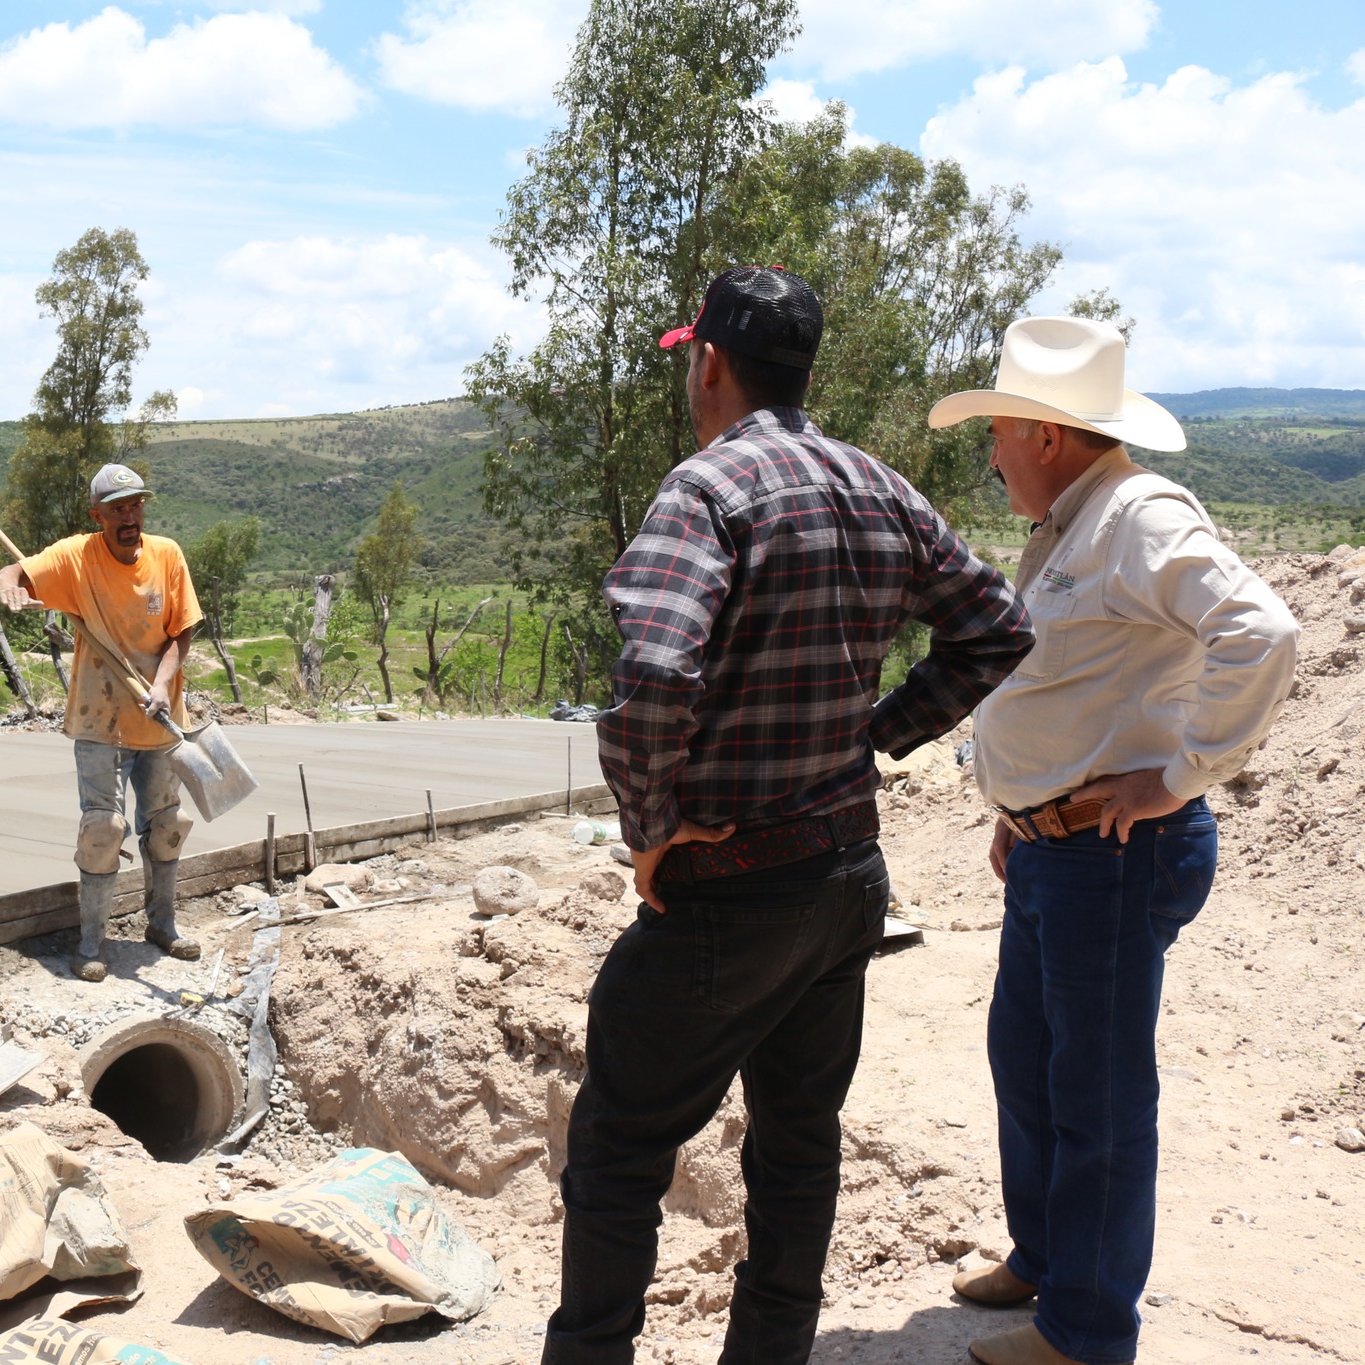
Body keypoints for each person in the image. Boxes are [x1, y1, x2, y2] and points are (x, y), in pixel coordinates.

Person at [545, 266, 1036, 1365]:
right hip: (845, 882)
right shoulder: (880, 489)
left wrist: (650, 826)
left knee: (619, 1152)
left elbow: (653, 676)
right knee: (797, 1150)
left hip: (726, 888)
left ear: (705, 363)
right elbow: (994, 629)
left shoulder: (704, 492)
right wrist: (872, 734)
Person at [929, 317, 1299, 1365]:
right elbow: (1076, 680)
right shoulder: (1073, 523)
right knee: (1028, 1064)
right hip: (1055, 848)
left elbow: (1260, 632)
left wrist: (1180, 772)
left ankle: (1083, 1334)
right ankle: (1045, 1261)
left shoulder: (1135, 515)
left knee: (1092, 1093)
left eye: (998, 429)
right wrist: (1017, 810)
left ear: (1044, 434)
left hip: (1111, 850)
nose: (990, 449)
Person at [0, 463, 205, 982]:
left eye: (135, 505)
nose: (129, 516)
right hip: (98, 717)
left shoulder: (168, 554)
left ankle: (163, 924)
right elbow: (12, 572)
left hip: (160, 716)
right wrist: (9, 586)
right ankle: (92, 940)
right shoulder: (76, 556)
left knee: (167, 826)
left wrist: (161, 685)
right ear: (99, 515)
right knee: (103, 829)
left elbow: (182, 631)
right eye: (117, 509)